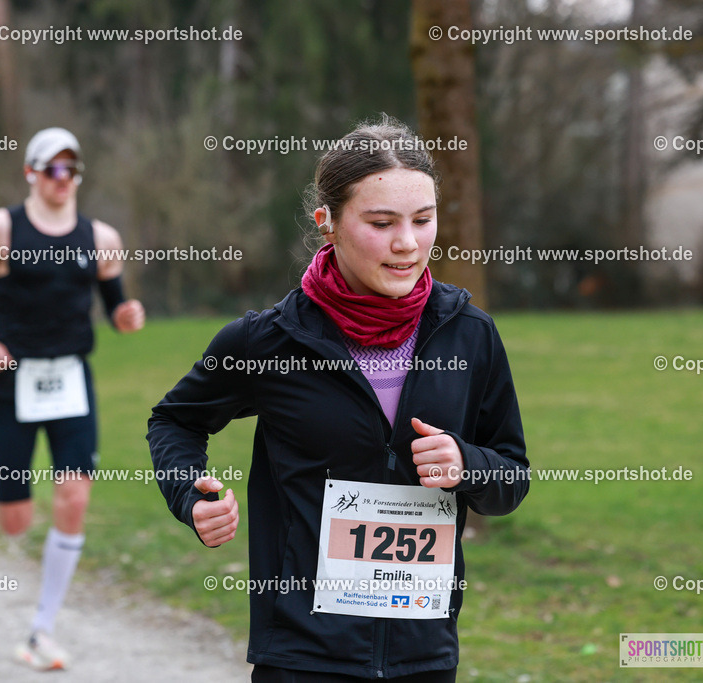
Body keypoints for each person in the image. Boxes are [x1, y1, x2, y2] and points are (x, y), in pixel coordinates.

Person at [147, 116, 529, 682]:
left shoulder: (470, 334)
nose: (407, 243)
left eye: (423, 220)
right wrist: (189, 494)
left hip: (421, 655)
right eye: (381, 222)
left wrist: (466, 464)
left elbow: (511, 478)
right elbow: (175, 421)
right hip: (302, 655)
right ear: (327, 222)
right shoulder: (267, 340)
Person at [0, 127, 145, 670]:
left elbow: (115, 302)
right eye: (52, 169)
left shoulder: (101, 238)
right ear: (31, 174)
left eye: (71, 169)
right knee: (15, 522)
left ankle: (41, 631)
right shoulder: (0, 228)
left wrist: (124, 316)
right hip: (11, 378)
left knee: (74, 497)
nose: (63, 179)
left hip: (70, 380)